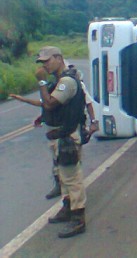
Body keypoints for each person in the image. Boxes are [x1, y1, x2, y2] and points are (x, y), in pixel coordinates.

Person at [9, 63, 98, 200]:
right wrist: (39, 113)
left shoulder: (73, 84)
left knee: (71, 169)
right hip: (58, 132)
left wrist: (94, 122)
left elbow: (88, 103)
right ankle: (66, 197)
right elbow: (48, 104)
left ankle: (75, 208)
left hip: (70, 130)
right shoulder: (57, 84)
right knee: (60, 165)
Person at [35, 46, 88, 238]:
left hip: (67, 136)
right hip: (60, 135)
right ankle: (68, 207)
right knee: (64, 176)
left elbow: (50, 103)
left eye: (47, 61)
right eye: (42, 62)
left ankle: (78, 218)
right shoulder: (60, 80)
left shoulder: (66, 81)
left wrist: (41, 81)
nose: (44, 65)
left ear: (59, 58)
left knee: (72, 177)